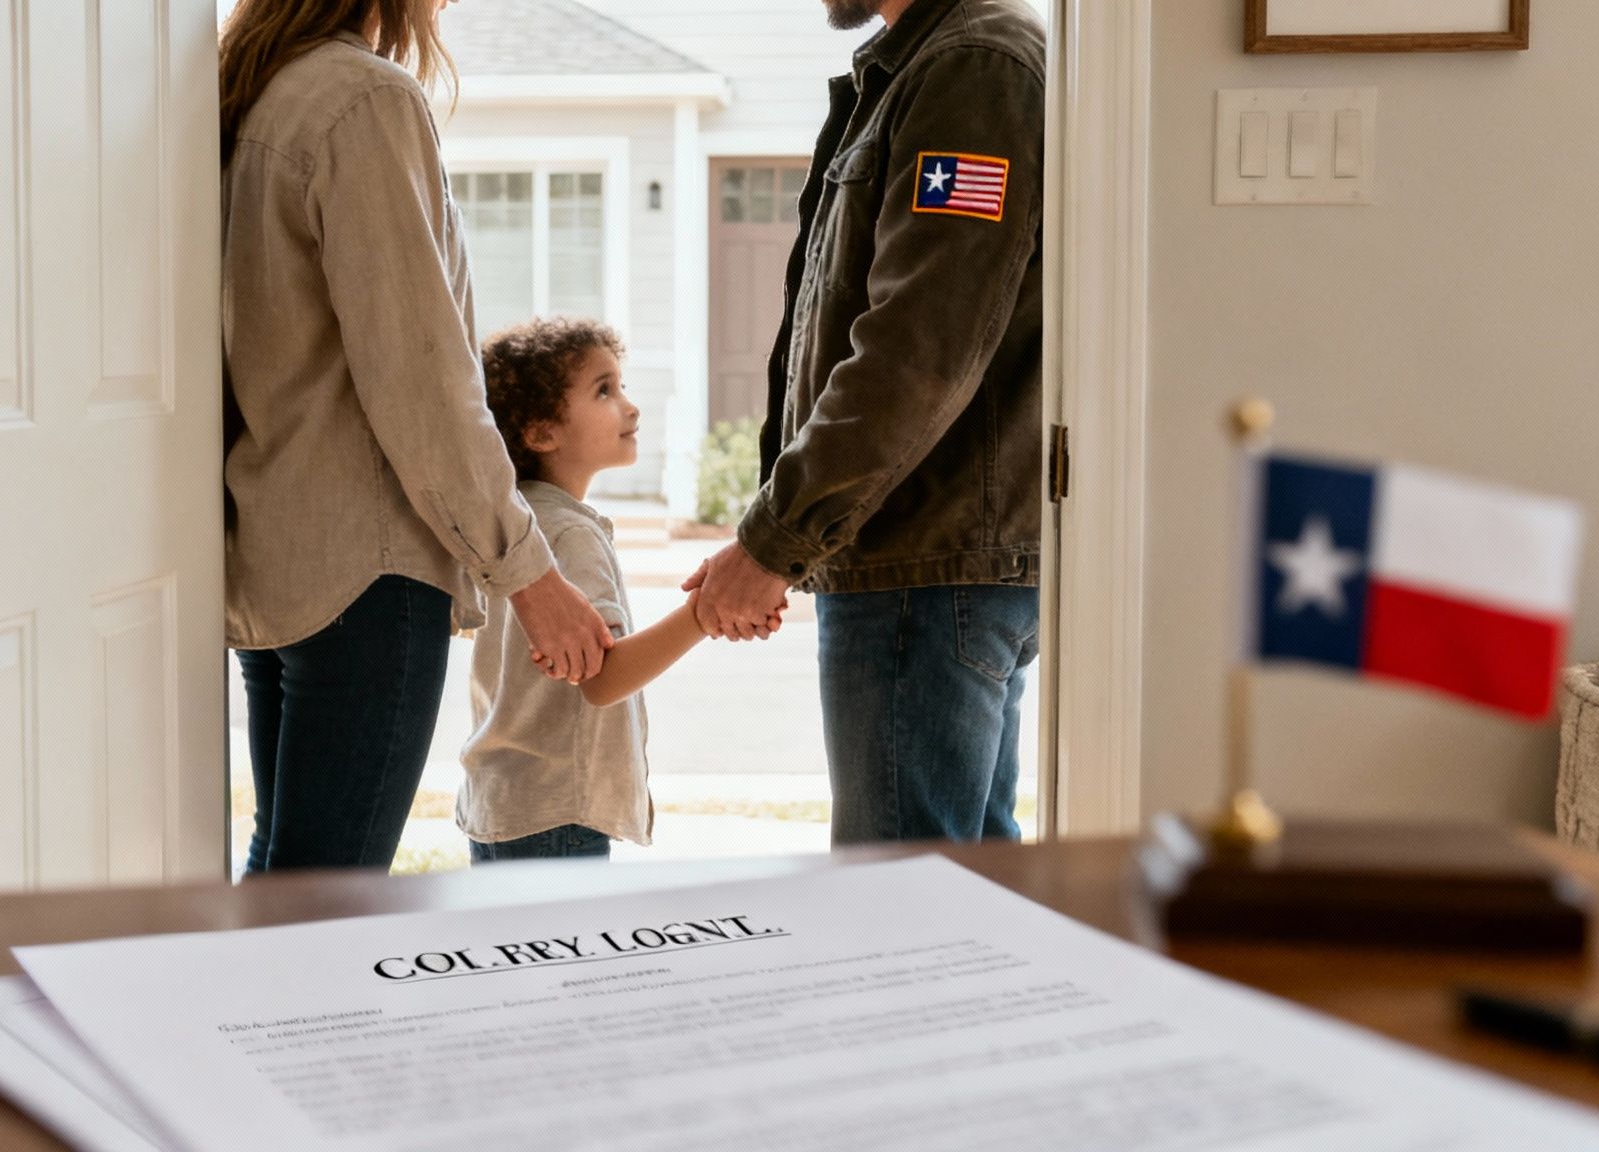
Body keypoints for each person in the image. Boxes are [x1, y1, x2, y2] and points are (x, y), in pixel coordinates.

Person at [218, 0, 614, 873]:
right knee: (332, 897)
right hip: (366, 570)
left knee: (288, 875)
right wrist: (527, 570)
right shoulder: (364, 98)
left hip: (275, 556)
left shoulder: (256, 91)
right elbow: (425, 381)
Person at [684, 0, 1045, 845]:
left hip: (924, 566)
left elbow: (917, 351)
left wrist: (776, 539)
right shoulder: (924, 64)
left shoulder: (974, 66)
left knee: (899, 905)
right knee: (959, 887)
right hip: (930, 561)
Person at [460, 319, 760, 862]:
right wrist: (703, 614)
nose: (631, 407)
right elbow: (603, 679)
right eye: (604, 390)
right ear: (541, 431)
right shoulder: (570, 533)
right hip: (557, 815)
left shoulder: (514, 524)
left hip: (500, 805)